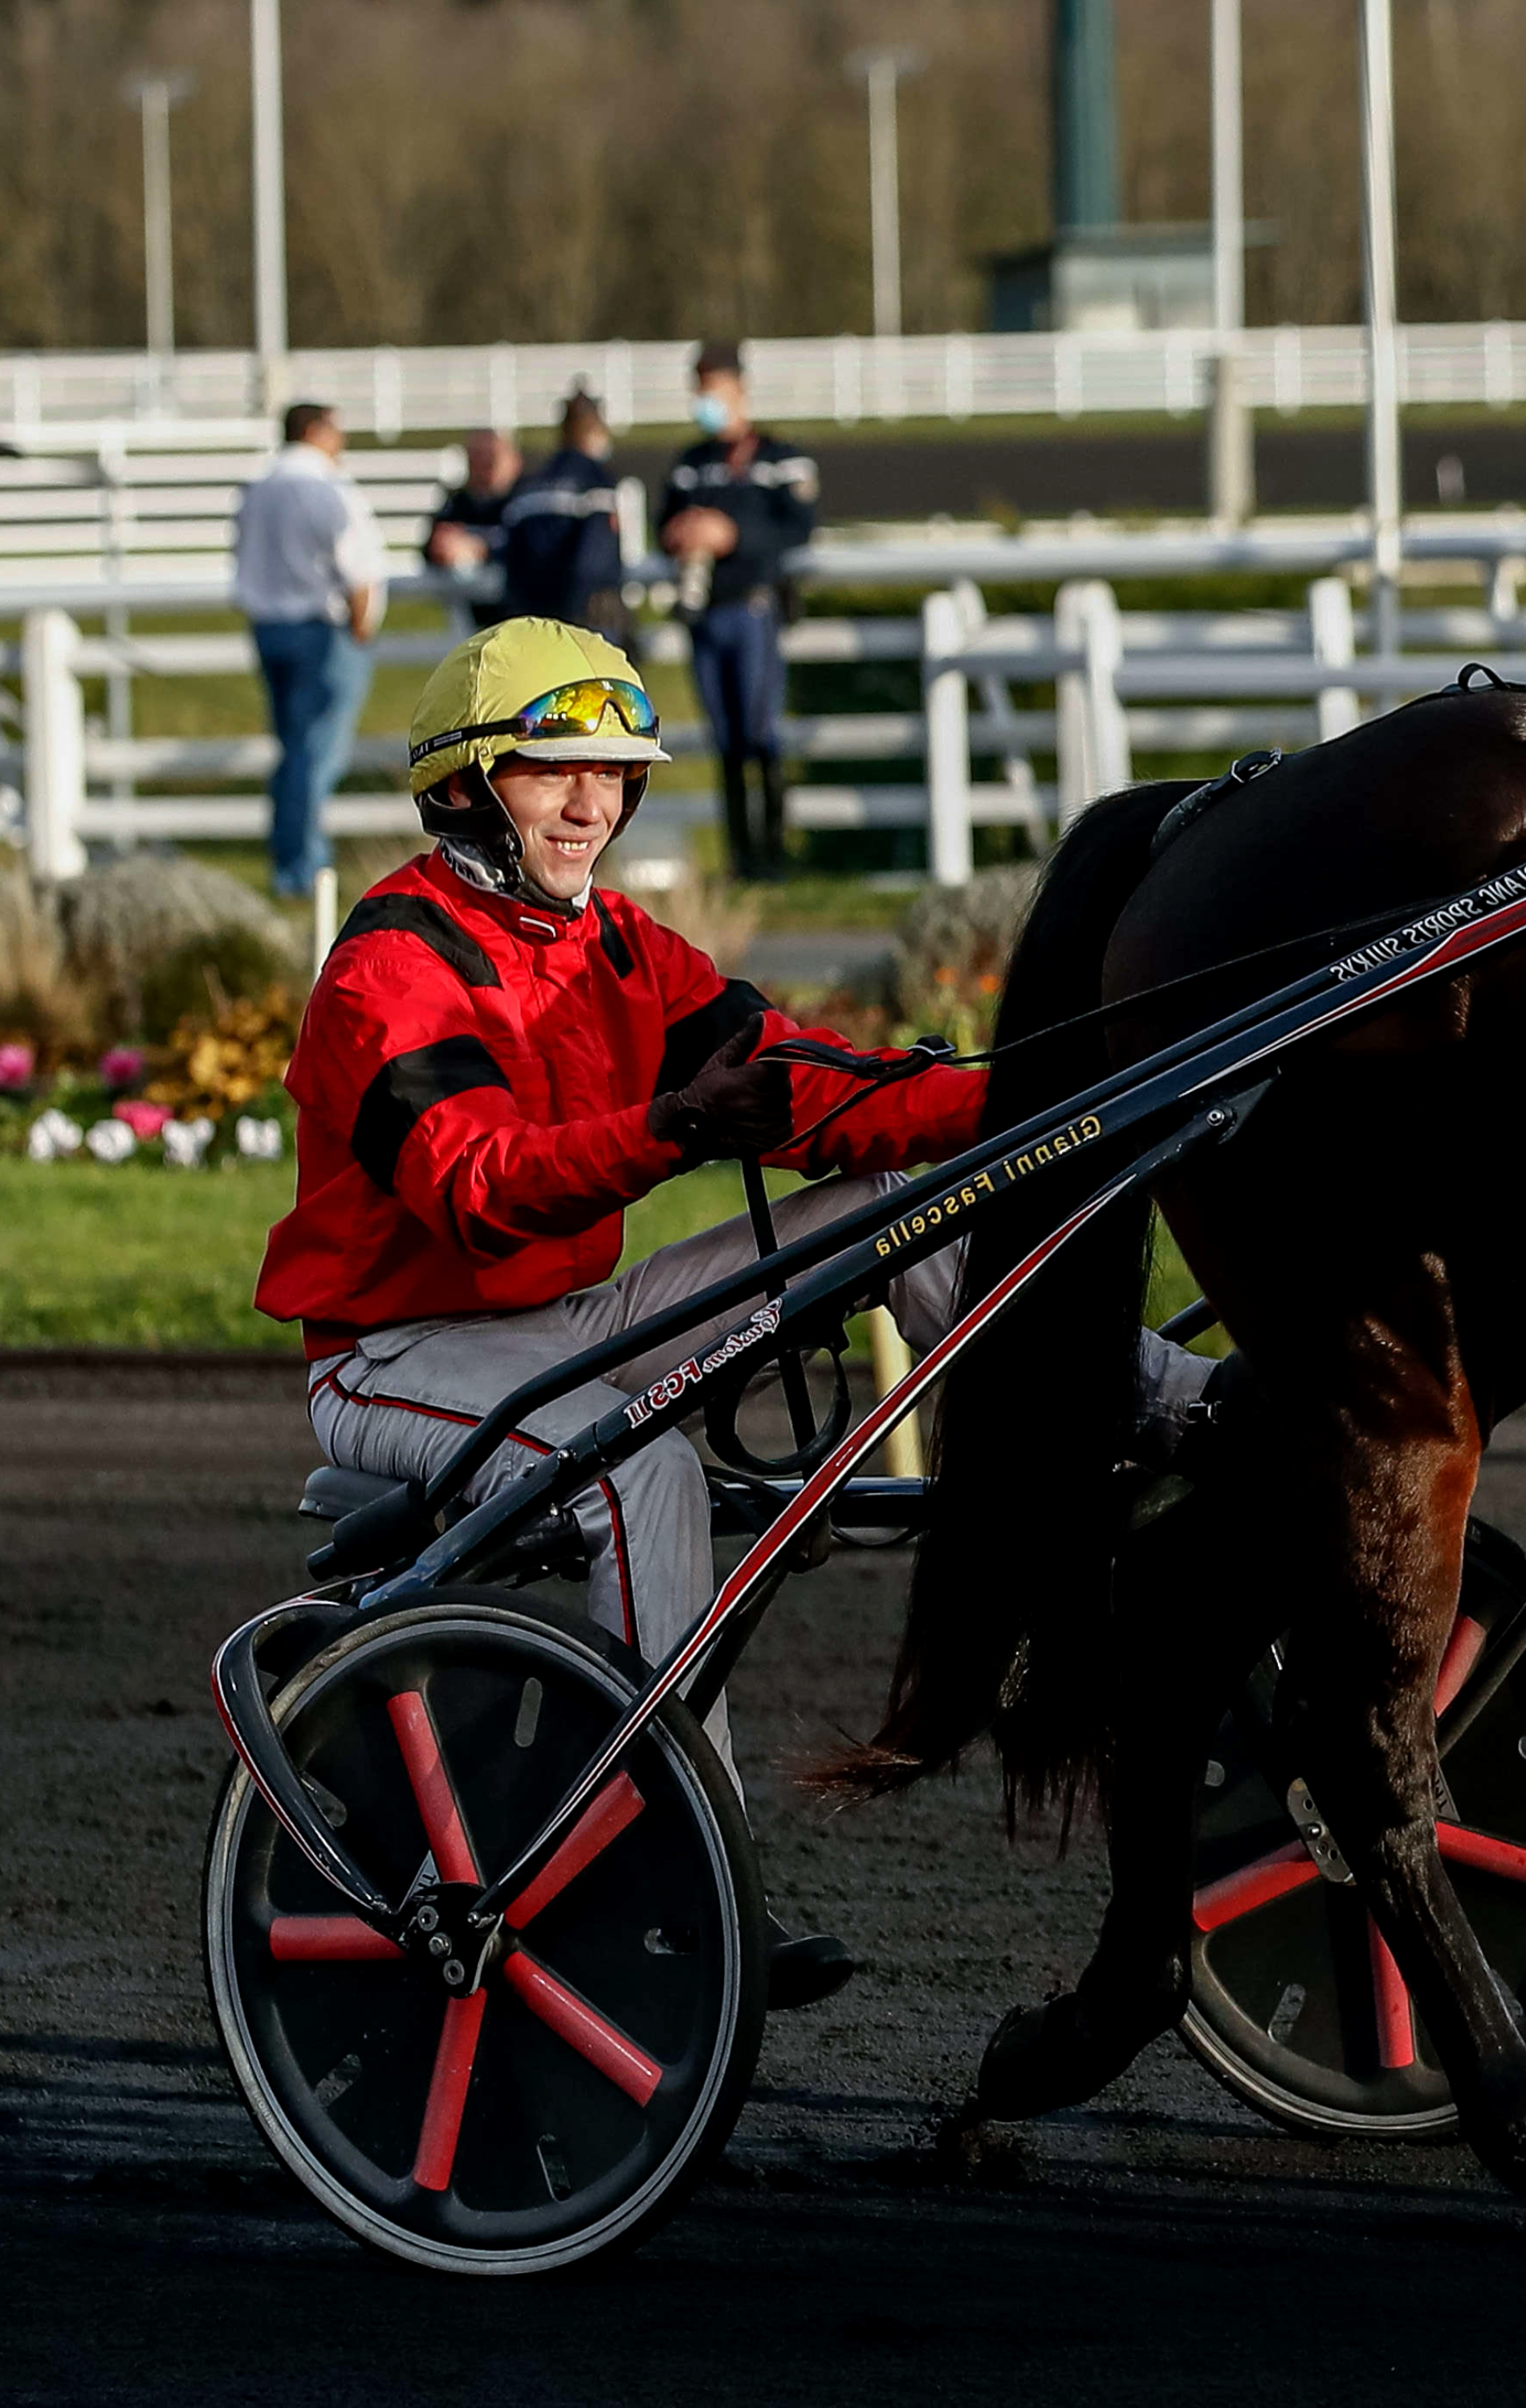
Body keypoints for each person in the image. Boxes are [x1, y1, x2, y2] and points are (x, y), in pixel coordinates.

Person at [254, 617, 1214, 2007]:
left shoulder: (620, 949)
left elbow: (821, 1089)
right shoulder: (390, 968)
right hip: (397, 1356)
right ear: (465, 785)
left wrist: (1038, 1092)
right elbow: (475, 1191)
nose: (594, 805)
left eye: (616, 776)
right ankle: (685, 1868)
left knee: (899, 1197)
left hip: (570, 1319)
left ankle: (1158, 1398)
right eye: (553, 772)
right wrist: (670, 1129)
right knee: (634, 1464)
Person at [659, 340, 819, 881]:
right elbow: (665, 523)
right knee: (725, 738)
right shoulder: (690, 464)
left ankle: (774, 852)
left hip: (754, 610)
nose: (705, 400)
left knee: (759, 732)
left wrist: (734, 536)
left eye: (714, 388)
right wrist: (678, 533)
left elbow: (797, 526)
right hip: (707, 615)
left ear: (739, 389)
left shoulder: (779, 457)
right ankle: (741, 856)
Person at [231, 401, 389, 900]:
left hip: (269, 625)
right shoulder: (322, 485)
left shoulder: (260, 488)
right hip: (316, 628)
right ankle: (301, 864)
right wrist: (363, 623)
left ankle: (289, 854)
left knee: (293, 747)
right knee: (315, 750)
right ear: (316, 431)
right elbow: (354, 561)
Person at [500, 388, 633, 641]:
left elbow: (511, 556)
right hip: (583, 621)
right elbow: (595, 559)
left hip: (530, 623)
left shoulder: (530, 485)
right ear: (595, 429)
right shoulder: (596, 480)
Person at [421, 428, 522, 574]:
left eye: (491, 459)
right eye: (476, 458)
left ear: (514, 462)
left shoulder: (525, 504)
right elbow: (432, 549)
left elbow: (533, 550)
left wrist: (482, 550)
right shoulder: (456, 504)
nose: (482, 468)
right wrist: (443, 550)